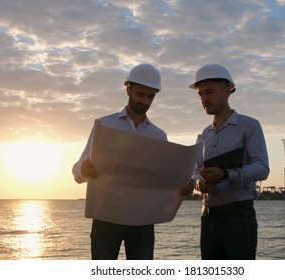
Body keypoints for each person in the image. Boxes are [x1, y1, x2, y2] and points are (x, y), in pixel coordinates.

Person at [72, 63, 194, 260]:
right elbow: (78, 169)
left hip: (143, 221)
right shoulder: (104, 125)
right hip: (106, 217)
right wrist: (83, 169)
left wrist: (181, 187)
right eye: (140, 94)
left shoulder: (158, 135)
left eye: (150, 96)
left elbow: (161, 180)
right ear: (128, 89)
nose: (145, 101)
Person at [189, 63, 270, 260]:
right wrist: (202, 184)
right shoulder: (204, 135)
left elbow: (263, 168)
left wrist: (227, 174)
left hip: (239, 218)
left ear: (227, 91)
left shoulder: (249, 126)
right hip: (208, 217)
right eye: (200, 94)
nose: (204, 99)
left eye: (209, 92)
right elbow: (194, 173)